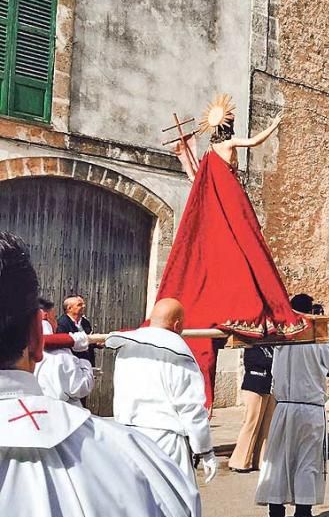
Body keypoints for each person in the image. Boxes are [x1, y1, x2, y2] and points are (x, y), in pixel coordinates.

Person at [0, 232, 224, 517]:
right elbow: (192, 404)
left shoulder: (128, 346)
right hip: (149, 444)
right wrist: (205, 450)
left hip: (130, 426)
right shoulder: (153, 474)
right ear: (38, 337)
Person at [154, 96, 306, 407]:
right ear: (228, 125)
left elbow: (201, 179)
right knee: (246, 244)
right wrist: (275, 125)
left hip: (222, 203)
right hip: (231, 201)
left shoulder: (210, 151)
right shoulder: (228, 145)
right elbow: (254, 141)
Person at [256, 293, 329, 517]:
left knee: (279, 460)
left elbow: (275, 369)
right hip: (308, 406)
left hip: (284, 405)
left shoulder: (283, 336)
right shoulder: (317, 336)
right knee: (307, 461)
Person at [106, 298, 218, 490]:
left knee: (137, 503)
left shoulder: (128, 347)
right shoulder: (178, 353)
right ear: (177, 324)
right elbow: (191, 408)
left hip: (129, 438)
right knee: (172, 505)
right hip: (166, 443)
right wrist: (205, 449)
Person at [34, 298, 94, 409]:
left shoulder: (19, 352)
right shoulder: (60, 355)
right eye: (55, 317)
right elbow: (81, 387)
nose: (56, 322)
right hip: (61, 411)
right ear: (46, 316)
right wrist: (84, 360)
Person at [228, 345, 275, 472]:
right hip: (255, 386)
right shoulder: (252, 347)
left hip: (268, 386)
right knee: (252, 423)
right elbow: (257, 362)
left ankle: (261, 460)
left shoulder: (272, 347)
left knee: (266, 427)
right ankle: (240, 461)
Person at [56, 294, 95, 365]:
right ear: (69, 308)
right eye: (79, 305)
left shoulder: (85, 322)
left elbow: (88, 340)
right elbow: (64, 345)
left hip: (87, 363)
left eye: (83, 304)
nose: (84, 306)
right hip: (72, 364)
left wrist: (96, 343)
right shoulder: (62, 324)